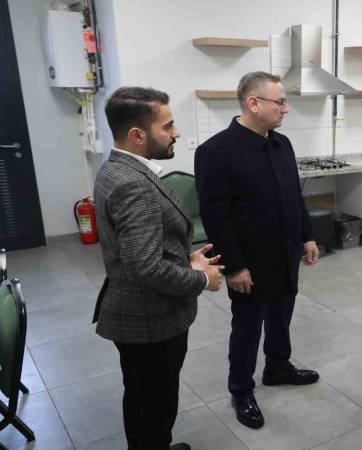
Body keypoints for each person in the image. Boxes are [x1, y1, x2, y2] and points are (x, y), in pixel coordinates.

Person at [93, 86, 223, 450]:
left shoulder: (115, 168)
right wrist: (201, 278)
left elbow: (140, 251)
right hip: (149, 320)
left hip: (134, 312)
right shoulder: (133, 185)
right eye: (167, 126)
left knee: (140, 394)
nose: (176, 132)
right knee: (156, 403)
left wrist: (185, 258)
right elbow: (147, 268)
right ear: (137, 135)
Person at [194, 71, 320, 430]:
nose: (286, 109)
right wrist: (234, 267)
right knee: (247, 327)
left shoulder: (281, 144)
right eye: (280, 102)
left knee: (281, 315)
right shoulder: (215, 152)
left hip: (286, 253)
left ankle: (278, 367)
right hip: (250, 261)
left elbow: (294, 196)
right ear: (253, 103)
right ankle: (241, 389)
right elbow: (215, 217)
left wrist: (307, 236)